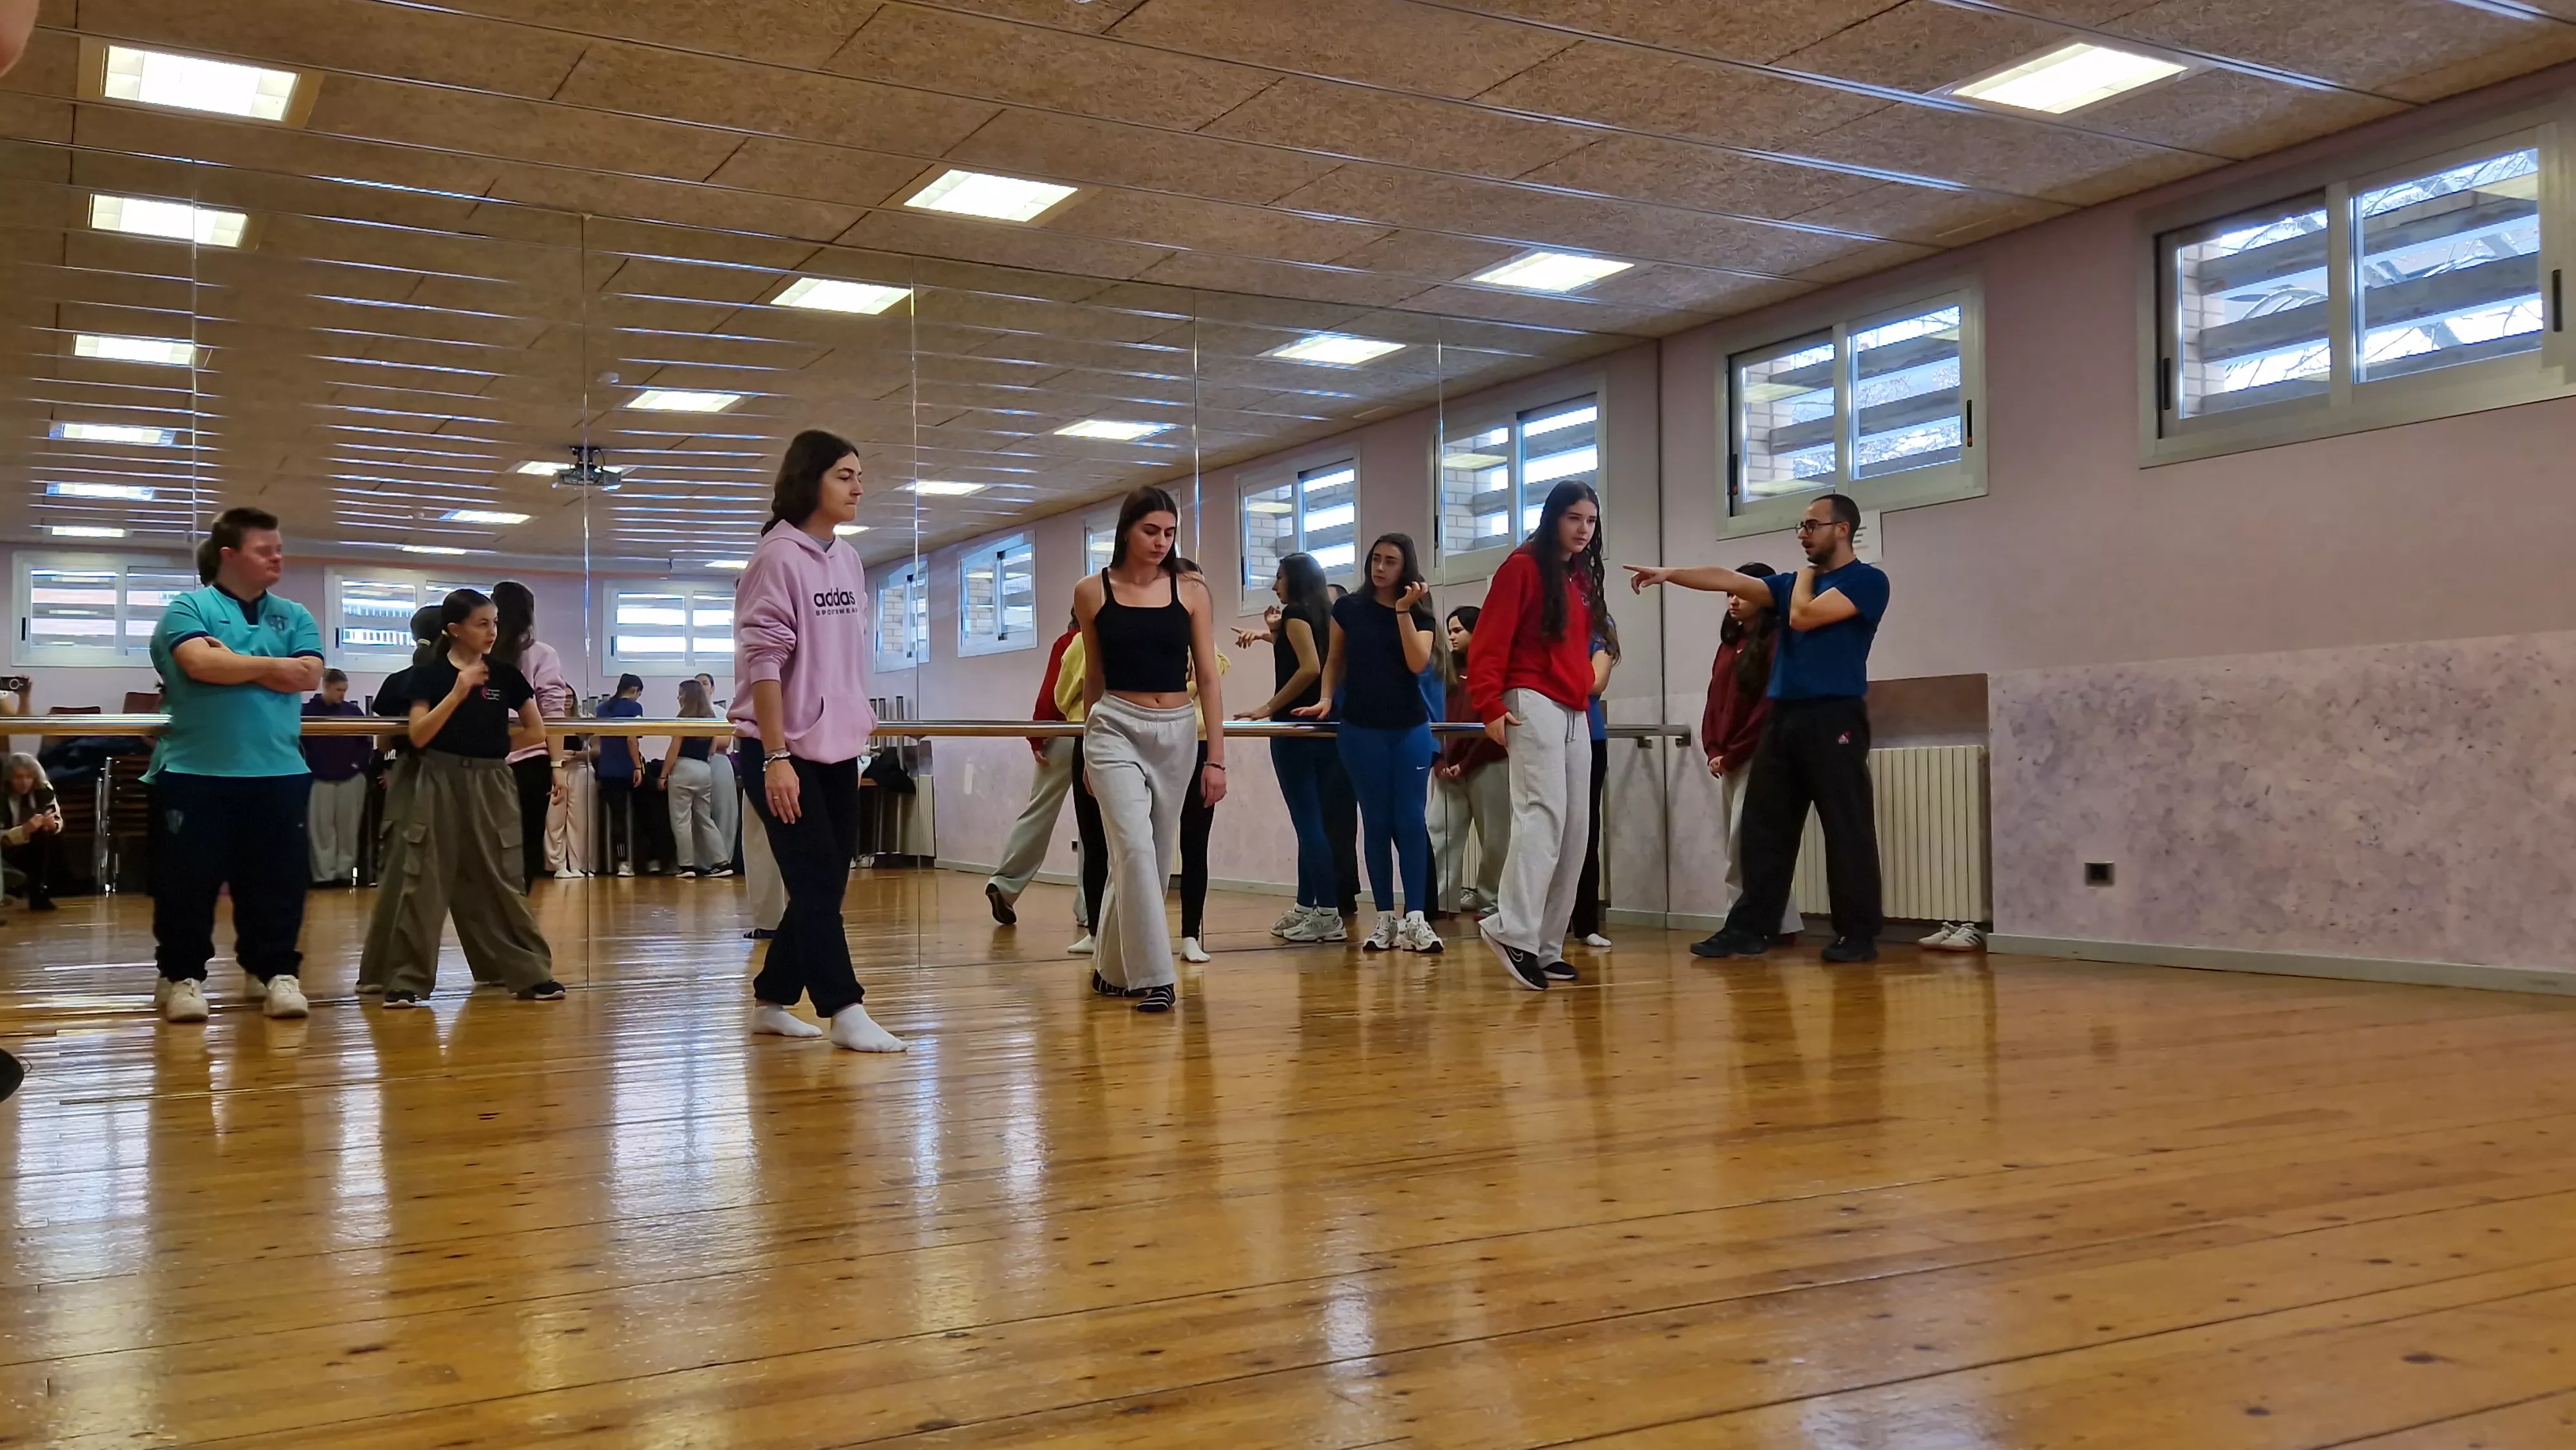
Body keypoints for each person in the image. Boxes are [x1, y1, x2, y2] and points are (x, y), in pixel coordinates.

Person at [1627, 493, 1891, 962]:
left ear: (1843, 529)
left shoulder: (1867, 581)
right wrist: (1671, 575)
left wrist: (1805, 576)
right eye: (1801, 527)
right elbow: (1727, 579)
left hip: (1835, 715)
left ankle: (1858, 935)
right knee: (1762, 828)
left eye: (1812, 525)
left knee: (1846, 828)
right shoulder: (1791, 583)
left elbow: (1804, 617)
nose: (1803, 534)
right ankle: (1750, 929)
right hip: (1784, 715)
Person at [731, 428, 906, 1052]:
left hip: (836, 748)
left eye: (859, 474)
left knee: (827, 883)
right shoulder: (775, 558)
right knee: (811, 883)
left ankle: (773, 998)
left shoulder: (848, 557)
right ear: (810, 480)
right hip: (779, 749)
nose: (858, 486)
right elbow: (765, 666)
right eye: (844, 475)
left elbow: (842, 655)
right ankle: (844, 1006)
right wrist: (776, 756)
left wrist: (855, 715)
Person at [146, 506, 327, 1024]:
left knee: (277, 882)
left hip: (278, 772)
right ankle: (183, 977)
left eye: (279, 549)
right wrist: (274, 665)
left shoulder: (295, 614)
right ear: (229, 555)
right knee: (188, 884)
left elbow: (309, 675)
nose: (278, 558)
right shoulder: (187, 608)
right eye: (264, 550)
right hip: (195, 771)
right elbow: (200, 665)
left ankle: (274, 973)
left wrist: (238, 663)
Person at [372, 588, 567, 1008]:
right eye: (482, 624)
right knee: (424, 878)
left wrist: (494, 737)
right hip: (438, 776)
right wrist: (459, 693)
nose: (492, 631)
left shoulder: (506, 675)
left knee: (503, 875)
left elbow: (535, 731)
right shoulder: (429, 675)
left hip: (492, 780)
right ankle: (407, 979)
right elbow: (419, 734)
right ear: (454, 630)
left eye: (495, 623)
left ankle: (532, 973)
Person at [1073, 484, 1227, 1015]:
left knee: (1155, 860)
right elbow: (1094, 676)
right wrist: (1087, 750)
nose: (1162, 541)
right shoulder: (1092, 591)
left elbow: (1208, 677)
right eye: (1150, 531)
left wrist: (1218, 758)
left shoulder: (1191, 590)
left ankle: (1111, 971)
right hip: (1113, 725)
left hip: (1178, 729)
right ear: (1125, 531)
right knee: (1134, 850)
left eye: (1170, 532)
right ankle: (1157, 977)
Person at [1467, 481, 1604, 992]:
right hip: (1531, 699)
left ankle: (1546, 945)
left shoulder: (1577, 577)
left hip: (1573, 708)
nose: (1583, 530)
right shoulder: (1521, 567)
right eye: (1574, 519)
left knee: (1575, 830)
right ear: (1553, 519)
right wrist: (1490, 705)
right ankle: (1512, 930)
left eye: (1590, 521)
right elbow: (1490, 641)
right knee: (1541, 817)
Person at [1295, 533, 1443, 954]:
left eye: (1390, 561)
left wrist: (1401, 612)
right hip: (1360, 728)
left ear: (1406, 567)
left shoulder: (1421, 615)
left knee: (1411, 821)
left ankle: (1416, 917)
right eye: (1375, 559)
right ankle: (1384, 919)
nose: (1380, 568)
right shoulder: (1348, 608)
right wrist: (1326, 698)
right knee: (1376, 823)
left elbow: (1418, 663)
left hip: (1409, 727)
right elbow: (1335, 661)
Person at [1692, 562, 1806, 953]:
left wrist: (1736, 750)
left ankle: (1744, 923)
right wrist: (1714, 748)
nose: (1734, 600)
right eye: (1729, 593)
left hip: (1758, 755)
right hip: (1728, 757)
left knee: (1746, 845)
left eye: (1742, 592)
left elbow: (1765, 708)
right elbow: (1715, 702)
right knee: (1743, 843)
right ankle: (1777, 922)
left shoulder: (1776, 644)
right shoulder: (1728, 646)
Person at [1235, 553, 1341, 943]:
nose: (1274, 585)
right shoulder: (1323, 613)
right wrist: (1268, 635)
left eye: (1279, 577)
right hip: (1324, 726)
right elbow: (1304, 650)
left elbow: (1310, 666)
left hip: (1295, 726)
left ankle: (1327, 912)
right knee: (1311, 822)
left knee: (1308, 822)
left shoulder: (1295, 612)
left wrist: (1268, 707)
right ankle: (1307, 904)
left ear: (1294, 580)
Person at [985, 614, 1081, 927]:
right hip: (1104, 736)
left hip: (1062, 736)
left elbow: (1051, 694)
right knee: (1098, 827)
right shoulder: (1114, 640)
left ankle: (1005, 884)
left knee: (1037, 811)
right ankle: (1090, 908)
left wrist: (1037, 737)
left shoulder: (1068, 643)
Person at [492, 581, 571, 892]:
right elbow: (553, 714)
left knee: (492, 841)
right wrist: (557, 766)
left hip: (490, 758)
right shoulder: (541, 654)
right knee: (524, 842)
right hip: (529, 760)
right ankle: (517, 905)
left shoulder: (485, 656)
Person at [1431, 605, 1509, 918]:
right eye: (1449, 630)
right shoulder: (1444, 674)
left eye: (1458, 630)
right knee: (1439, 832)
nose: (1451, 636)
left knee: (1494, 837)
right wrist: (1438, 761)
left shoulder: (1493, 670)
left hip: (1487, 762)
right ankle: (1439, 902)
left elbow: (1493, 723)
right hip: (1448, 766)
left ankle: (1491, 902)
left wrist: (1467, 762)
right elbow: (1434, 721)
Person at [1566, 616, 1622, 950]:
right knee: (1549, 830)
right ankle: (1546, 922)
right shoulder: (1547, 619)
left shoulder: (1598, 625)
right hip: (1546, 736)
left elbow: (1597, 682)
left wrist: (1551, 680)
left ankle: (1586, 924)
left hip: (1588, 736)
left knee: (1586, 832)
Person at [303, 669, 372, 886]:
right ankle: (324, 875)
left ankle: (343, 874)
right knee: (321, 830)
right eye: (338, 690)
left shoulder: (353, 711)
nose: (342, 694)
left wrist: (357, 765)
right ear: (327, 686)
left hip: (350, 777)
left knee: (348, 829)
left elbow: (366, 743)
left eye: (345, 690)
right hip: (318, 777)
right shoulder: (307, 711)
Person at [659, 677, 729, 877]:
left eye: (680, 693)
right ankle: (722, 862)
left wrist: (664, 775)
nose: (678, 697)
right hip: (703, 769)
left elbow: (674, 750)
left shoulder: (682, 720)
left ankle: (687, 866)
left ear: (686, 696)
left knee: (681, 820)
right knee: (705, 818)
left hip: (683, 768)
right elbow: (713, 749)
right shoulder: (711, 719)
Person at [593, 673, 645, 876]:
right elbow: (632, 740)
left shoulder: (602, 709)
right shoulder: (634, 708)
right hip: (626, 768)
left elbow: (598, 743)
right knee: (635, 815)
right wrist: (637, 767)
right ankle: (641, 860)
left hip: (606, 768)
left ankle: (619, 862)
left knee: (616, 817)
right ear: (635, 690)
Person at [1, 753, 61, 911]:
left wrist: (52, 825)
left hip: (35, 844)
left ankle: (40, 891)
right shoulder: (2, 795)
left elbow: (58, 819)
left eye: (29, 777)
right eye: (18, 777)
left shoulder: (44, 790)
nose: (24, 782)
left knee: (48, 838)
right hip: (7, 845)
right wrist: (24, 831)